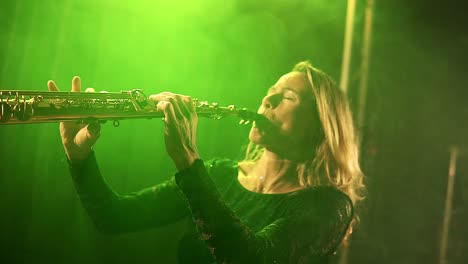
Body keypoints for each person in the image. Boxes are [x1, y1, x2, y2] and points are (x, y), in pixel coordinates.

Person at [47, 61, 365, 264]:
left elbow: (248, 259)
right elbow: (112, 218)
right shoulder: (220, 176)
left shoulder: (328, 206)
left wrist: (188, 160)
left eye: (288, 98)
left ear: (322, 127)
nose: (268, 100)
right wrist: (79, 156)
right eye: (271, 92)